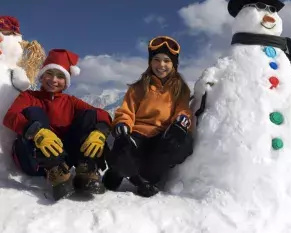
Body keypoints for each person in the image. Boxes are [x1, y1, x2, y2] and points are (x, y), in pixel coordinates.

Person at [3, 49, 112, 201]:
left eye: (60, 76)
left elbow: (101, 114)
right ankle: (55, 171)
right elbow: (10, 117)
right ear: (42, 76)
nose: (54, 80)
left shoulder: (71, 101)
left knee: (90, 115)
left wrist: (100, 131)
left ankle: (85, 170)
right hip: (32, 158)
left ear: (66, 81)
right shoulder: (28, 96)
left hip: (64, 160)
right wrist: (36, 132)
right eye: (50, 73)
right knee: (34, 112)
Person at [102, 36, 193, 197]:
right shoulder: (139, 87)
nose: (161, 65)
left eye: (167, 61)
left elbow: (183, 110)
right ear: (151, 62)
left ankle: (144, 178)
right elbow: (126, 112)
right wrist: (123, 126)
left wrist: (180, 124)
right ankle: (118, 172)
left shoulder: (181, 89)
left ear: (174, 64)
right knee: (122, 150)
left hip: (161, 137)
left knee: (183, 144)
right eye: (157, 60)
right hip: (138, 136)